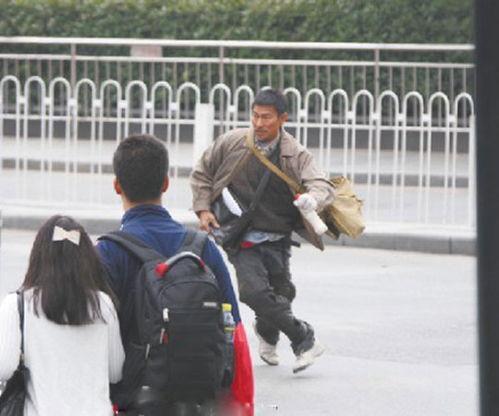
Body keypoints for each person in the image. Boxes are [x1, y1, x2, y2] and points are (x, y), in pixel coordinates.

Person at [96, 134, 254, 415]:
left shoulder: (108, 252)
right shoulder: (203, 248)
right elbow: (233, 331)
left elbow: (95, 337)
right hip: (197, 401)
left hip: (134, 400)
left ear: (117, 186)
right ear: (166, 184)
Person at [190, 88, 334, 373]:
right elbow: (202, 173)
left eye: (266, 117)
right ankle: (303, 338)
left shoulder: (295, 154)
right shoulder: (232, 141)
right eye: (255, 116)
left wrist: (312, 199)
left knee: (282, 293)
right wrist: (203, 209)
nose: (258, 123)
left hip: (278, 236)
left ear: (283, 118)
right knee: (253, 293)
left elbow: (321, 185)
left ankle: (267, 334)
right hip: (240, 235)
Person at [0, 215, 125, 416]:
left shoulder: (17, 304)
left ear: (38, 256)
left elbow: (4, 368)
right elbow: (115, 372)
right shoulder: (103, 304)